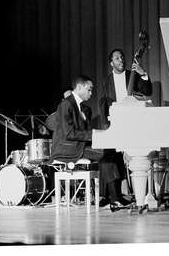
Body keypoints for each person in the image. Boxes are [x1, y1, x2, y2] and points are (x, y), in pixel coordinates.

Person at [50, 75, 130, 206]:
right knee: (104, 153)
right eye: (89, 90)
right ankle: (114, 197)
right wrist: (94, 134)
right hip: (66, 148)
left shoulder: (85, 109)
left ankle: (114, 196)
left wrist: (100, 137)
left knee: (113, 151)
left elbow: (85, 133)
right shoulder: (66, 105)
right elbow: (69, 133)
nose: (91, 93)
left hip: (79, 145)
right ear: (79, 87)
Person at [98, 48, 153, 205]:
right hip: (114, 121)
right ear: (111, 63)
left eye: (122, 57)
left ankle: (141, 195)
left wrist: (143, 74)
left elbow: (148, 91)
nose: (121, 60)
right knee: (110, 155)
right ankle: (115, 196)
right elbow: (103, 104)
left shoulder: (132, 75)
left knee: (139, 157)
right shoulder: (106, 81)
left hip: (134, 122)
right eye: (117, 58)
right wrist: (106, 125)